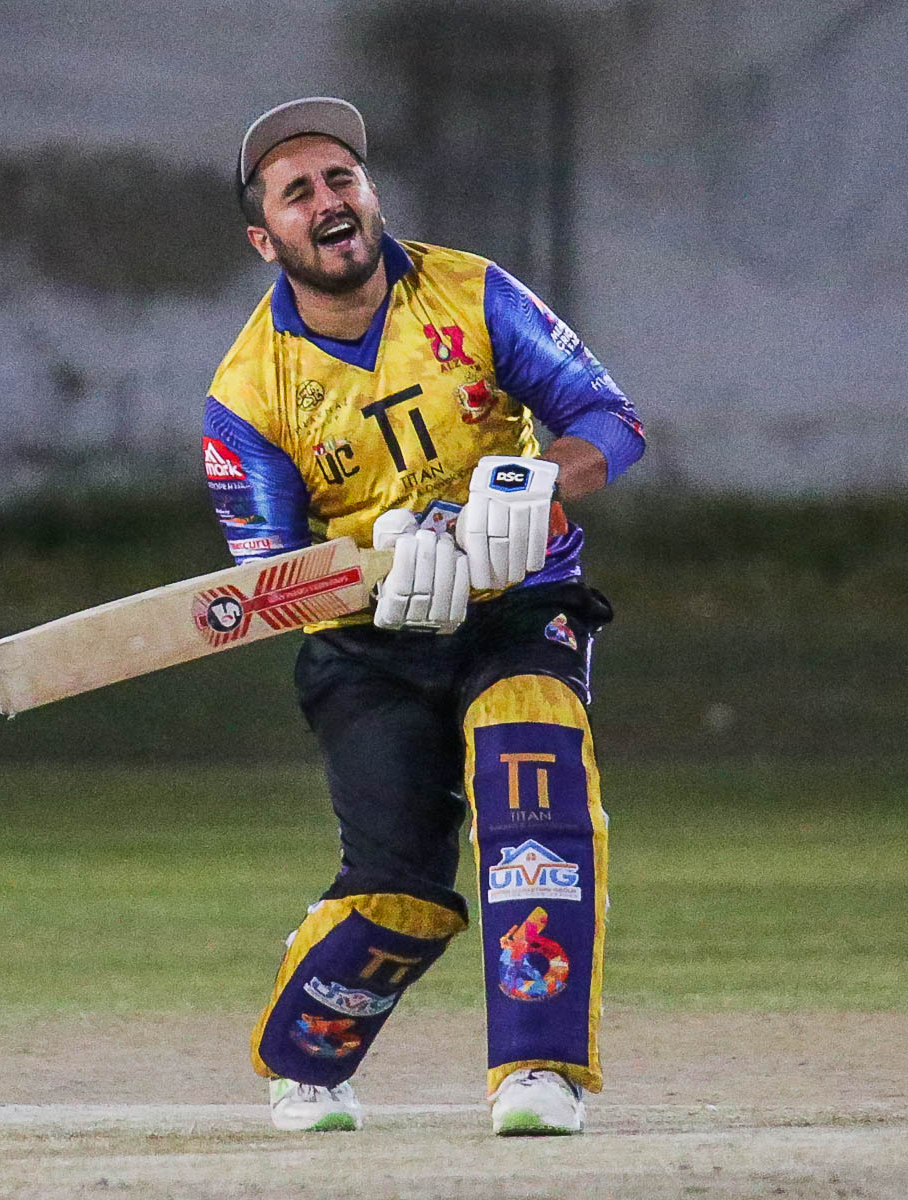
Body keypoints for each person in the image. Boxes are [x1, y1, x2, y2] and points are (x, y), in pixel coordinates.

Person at [203, 97, 645, 1136]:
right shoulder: (247, 392)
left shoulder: (472, 291)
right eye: (298, 192)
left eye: (342, 177)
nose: (330, 200)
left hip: (519, 605)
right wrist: (379, 569)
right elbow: (268, 579)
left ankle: (538, 1071)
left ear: (370, 193)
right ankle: (305, 1059)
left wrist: (536, 481)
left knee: (534, 788)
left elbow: (610, 421)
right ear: (266, 240)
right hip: (368, 648)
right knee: (400, 890)